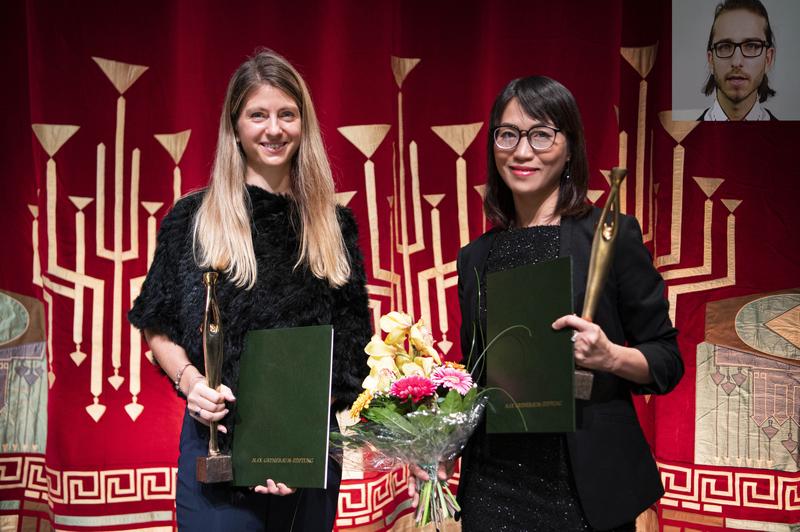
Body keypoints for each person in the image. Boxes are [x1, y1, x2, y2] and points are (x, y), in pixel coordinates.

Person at [128, 49, 372, 531]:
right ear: (235, 126)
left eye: (287, 114)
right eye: (257, 115)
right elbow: (157, 324)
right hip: (216, 449)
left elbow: (348, 352)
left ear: (304, 125)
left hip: (308, 455)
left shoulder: (335, 226)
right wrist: (191, 383)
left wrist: (290, 446)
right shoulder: (192, 220)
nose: (273, 129)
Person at [442, 76, 683, 531]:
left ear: (569, 147)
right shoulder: (476, 256)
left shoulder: (611, 237)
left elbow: (667, 360)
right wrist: (443, 442)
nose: (522, 150)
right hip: (493, 485)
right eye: (508, 134)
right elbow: (478, 376)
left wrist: (610, 356)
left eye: (541, 134)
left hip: (585, 486)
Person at [700, 0, 777, 120]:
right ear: (711, 60)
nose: (736, 62)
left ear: (768, 59)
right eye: (725, 46)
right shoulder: (680, 138)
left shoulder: (791, 138)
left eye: (751, 46)